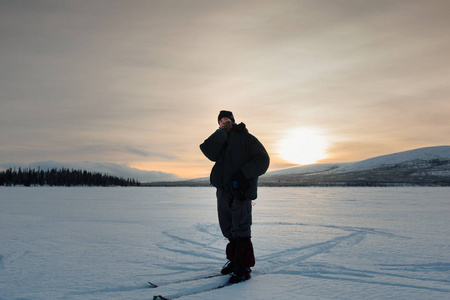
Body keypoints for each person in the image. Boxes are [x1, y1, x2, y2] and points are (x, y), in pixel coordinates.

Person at [200, 110, 270, 283]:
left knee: (241, 227)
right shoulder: (221, 139)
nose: (224, 122)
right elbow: (208, 150)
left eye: (227, 119)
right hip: (223, 190)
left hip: (240, 190)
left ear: (233, 121)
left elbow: (263, 160)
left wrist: (243, 174)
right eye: (221, 121)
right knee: (228, 228)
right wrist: (221, 132)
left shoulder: (247, 139)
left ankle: (244, 267)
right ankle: (235, 261)